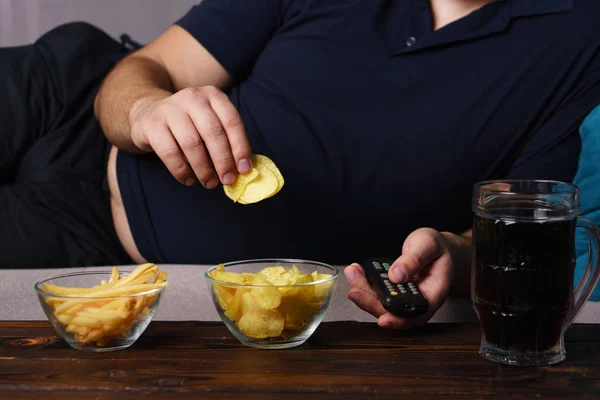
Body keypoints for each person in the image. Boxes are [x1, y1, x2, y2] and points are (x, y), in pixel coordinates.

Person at [2, 0, 600, 330]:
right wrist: (147, 109)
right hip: (67, 96)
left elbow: (518, 229)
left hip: (96, 242)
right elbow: (144, 71)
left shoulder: (579, 37)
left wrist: (455, 250)